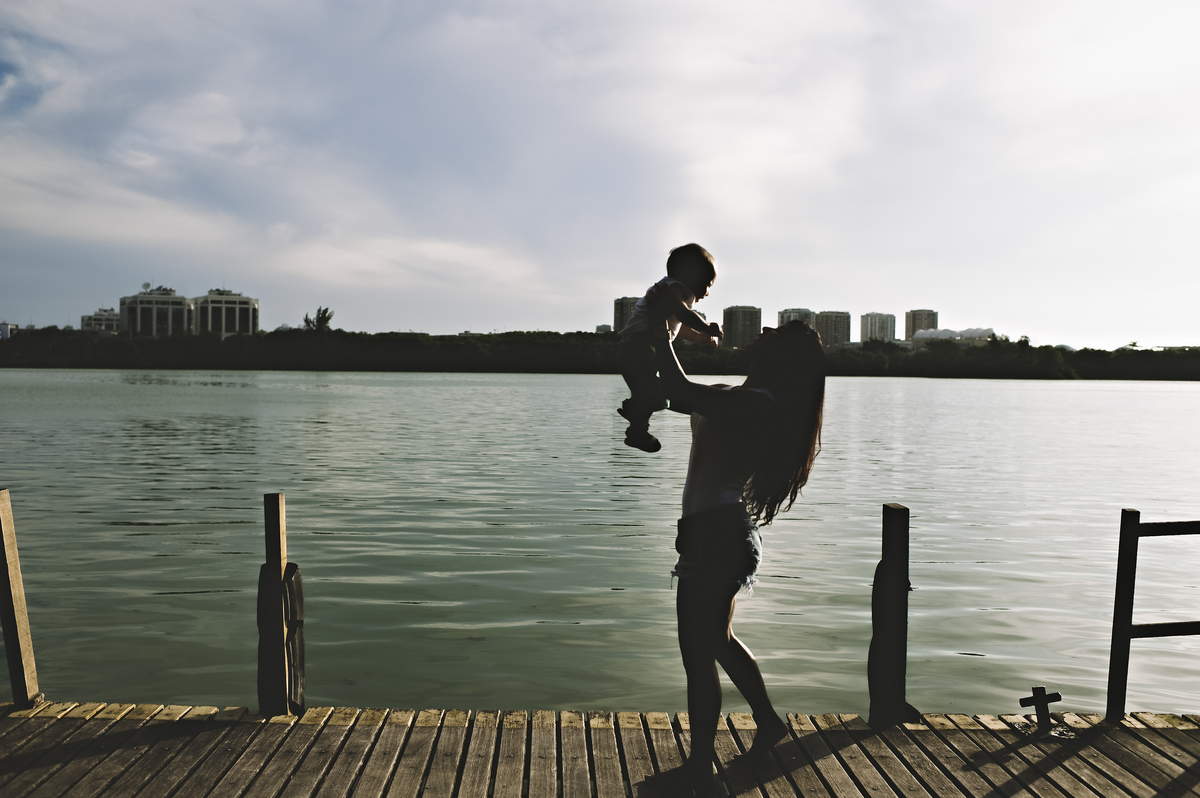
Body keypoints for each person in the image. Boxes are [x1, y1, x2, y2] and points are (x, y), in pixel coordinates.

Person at [645, 319, 825, 796]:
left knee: (697, 653)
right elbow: (675, 394)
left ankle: (700, 766)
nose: (764, 328)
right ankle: (767, 723)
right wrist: (643, 405)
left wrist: (663, 332)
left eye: (777, 332)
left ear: (781, 358)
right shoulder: (736, 393)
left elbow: (679, 387)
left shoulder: (756, 404)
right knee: (717, 640)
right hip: (712, 535)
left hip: (718, 537)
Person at [618, 244, 723, 453]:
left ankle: (637, 430)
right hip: (641, 348)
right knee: (658, 395)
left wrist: (698, 338)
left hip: (633, 348)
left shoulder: (666, 289)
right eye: (708, 284)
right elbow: (682, 314)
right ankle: (636, 413)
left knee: (651, 394)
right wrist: (706, 327)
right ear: (691, 275)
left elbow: (678, 324)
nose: (708, 292)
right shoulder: (674, 289)